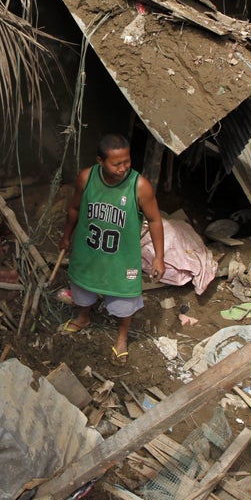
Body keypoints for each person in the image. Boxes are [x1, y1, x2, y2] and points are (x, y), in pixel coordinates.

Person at [59, 133, 165, 363]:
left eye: (126, 161)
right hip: (89, 252)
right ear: (100, 161)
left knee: (123, 300)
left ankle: (122, 337)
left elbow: (155, 220)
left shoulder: (139, 186)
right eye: (116, 163)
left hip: (121, 258)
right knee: (83, 288)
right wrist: (66, 236)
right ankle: (84, 316)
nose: (123, 168)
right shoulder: (86, 178)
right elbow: (75, 208)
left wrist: (159, 258)